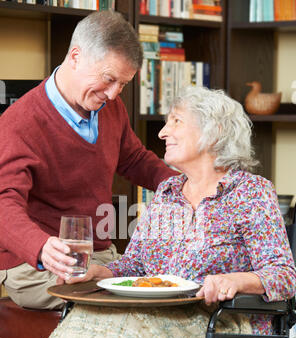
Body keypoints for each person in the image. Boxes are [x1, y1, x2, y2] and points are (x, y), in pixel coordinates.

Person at [12, 86, 296, 338]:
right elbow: (135, 265)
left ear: (213, 133)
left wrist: (233, 280)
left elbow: (284, 275)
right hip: (152, 311)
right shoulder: (165, 194)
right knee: (76, 330)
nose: (162, 132)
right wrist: (95, 273)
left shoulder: (251, 193)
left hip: (217, 320)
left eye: (175, 122)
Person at [0, 10, 175, 310]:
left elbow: (133, 158)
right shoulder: (20, 122)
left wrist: (183, 183)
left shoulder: (111, 107)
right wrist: (40, 247)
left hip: (100, 256)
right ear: (76, 56)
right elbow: (4, 202)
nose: (113, 93)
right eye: (109, 79)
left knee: (164, 291)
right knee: (122, 307)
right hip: (36, 266)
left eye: (123, 84)